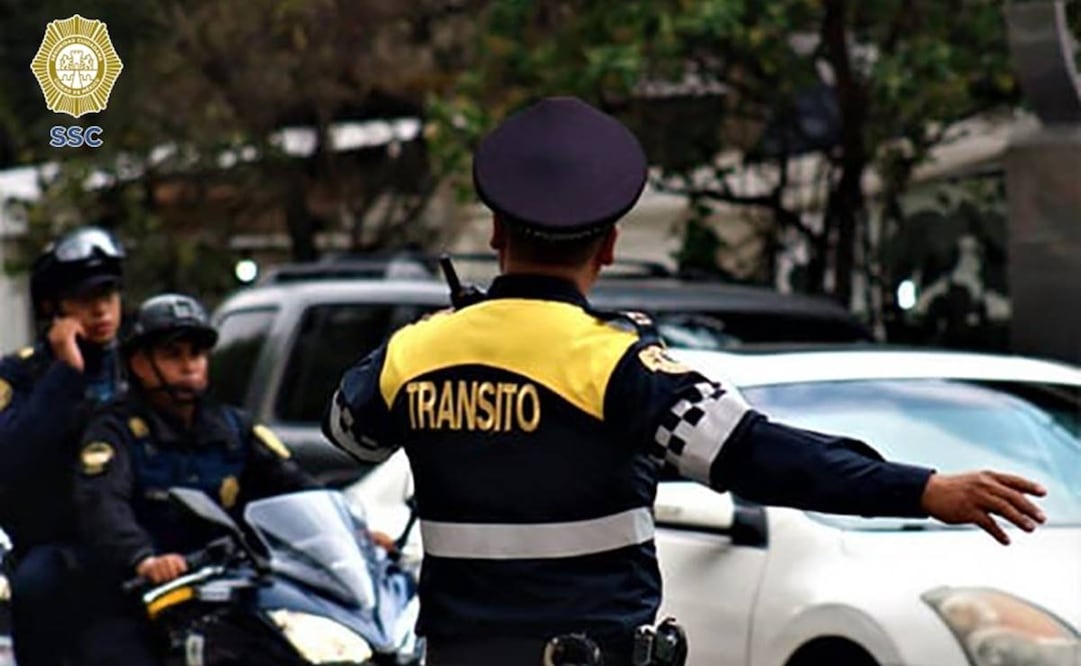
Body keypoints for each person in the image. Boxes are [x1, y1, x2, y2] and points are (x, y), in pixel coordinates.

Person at [321, 97, 1047, 666]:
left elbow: (346, 434)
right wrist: (921, 489)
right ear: (607, 245)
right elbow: (761, 456)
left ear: (492, 235)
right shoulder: (614, 366)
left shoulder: (414, 353)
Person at [72, 293, 318, 666]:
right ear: (140, 363)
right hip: (141, 603)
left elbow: (295, 486)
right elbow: (103, 504)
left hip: (227, 598)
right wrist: (144, 558)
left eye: (197, 355)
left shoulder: (234, 428)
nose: (190, 366)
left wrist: (357, 533)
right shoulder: (115, 430)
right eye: (174, 355)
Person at [0, 226, 127, 666]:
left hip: (141, 545)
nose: (100, 310)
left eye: (109, 294)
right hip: (59, 549)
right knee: (37, 586)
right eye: (84, 298)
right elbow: (11, 459)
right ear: (55, 308)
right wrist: (65, 374)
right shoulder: (21, 375)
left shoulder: (143, 365)